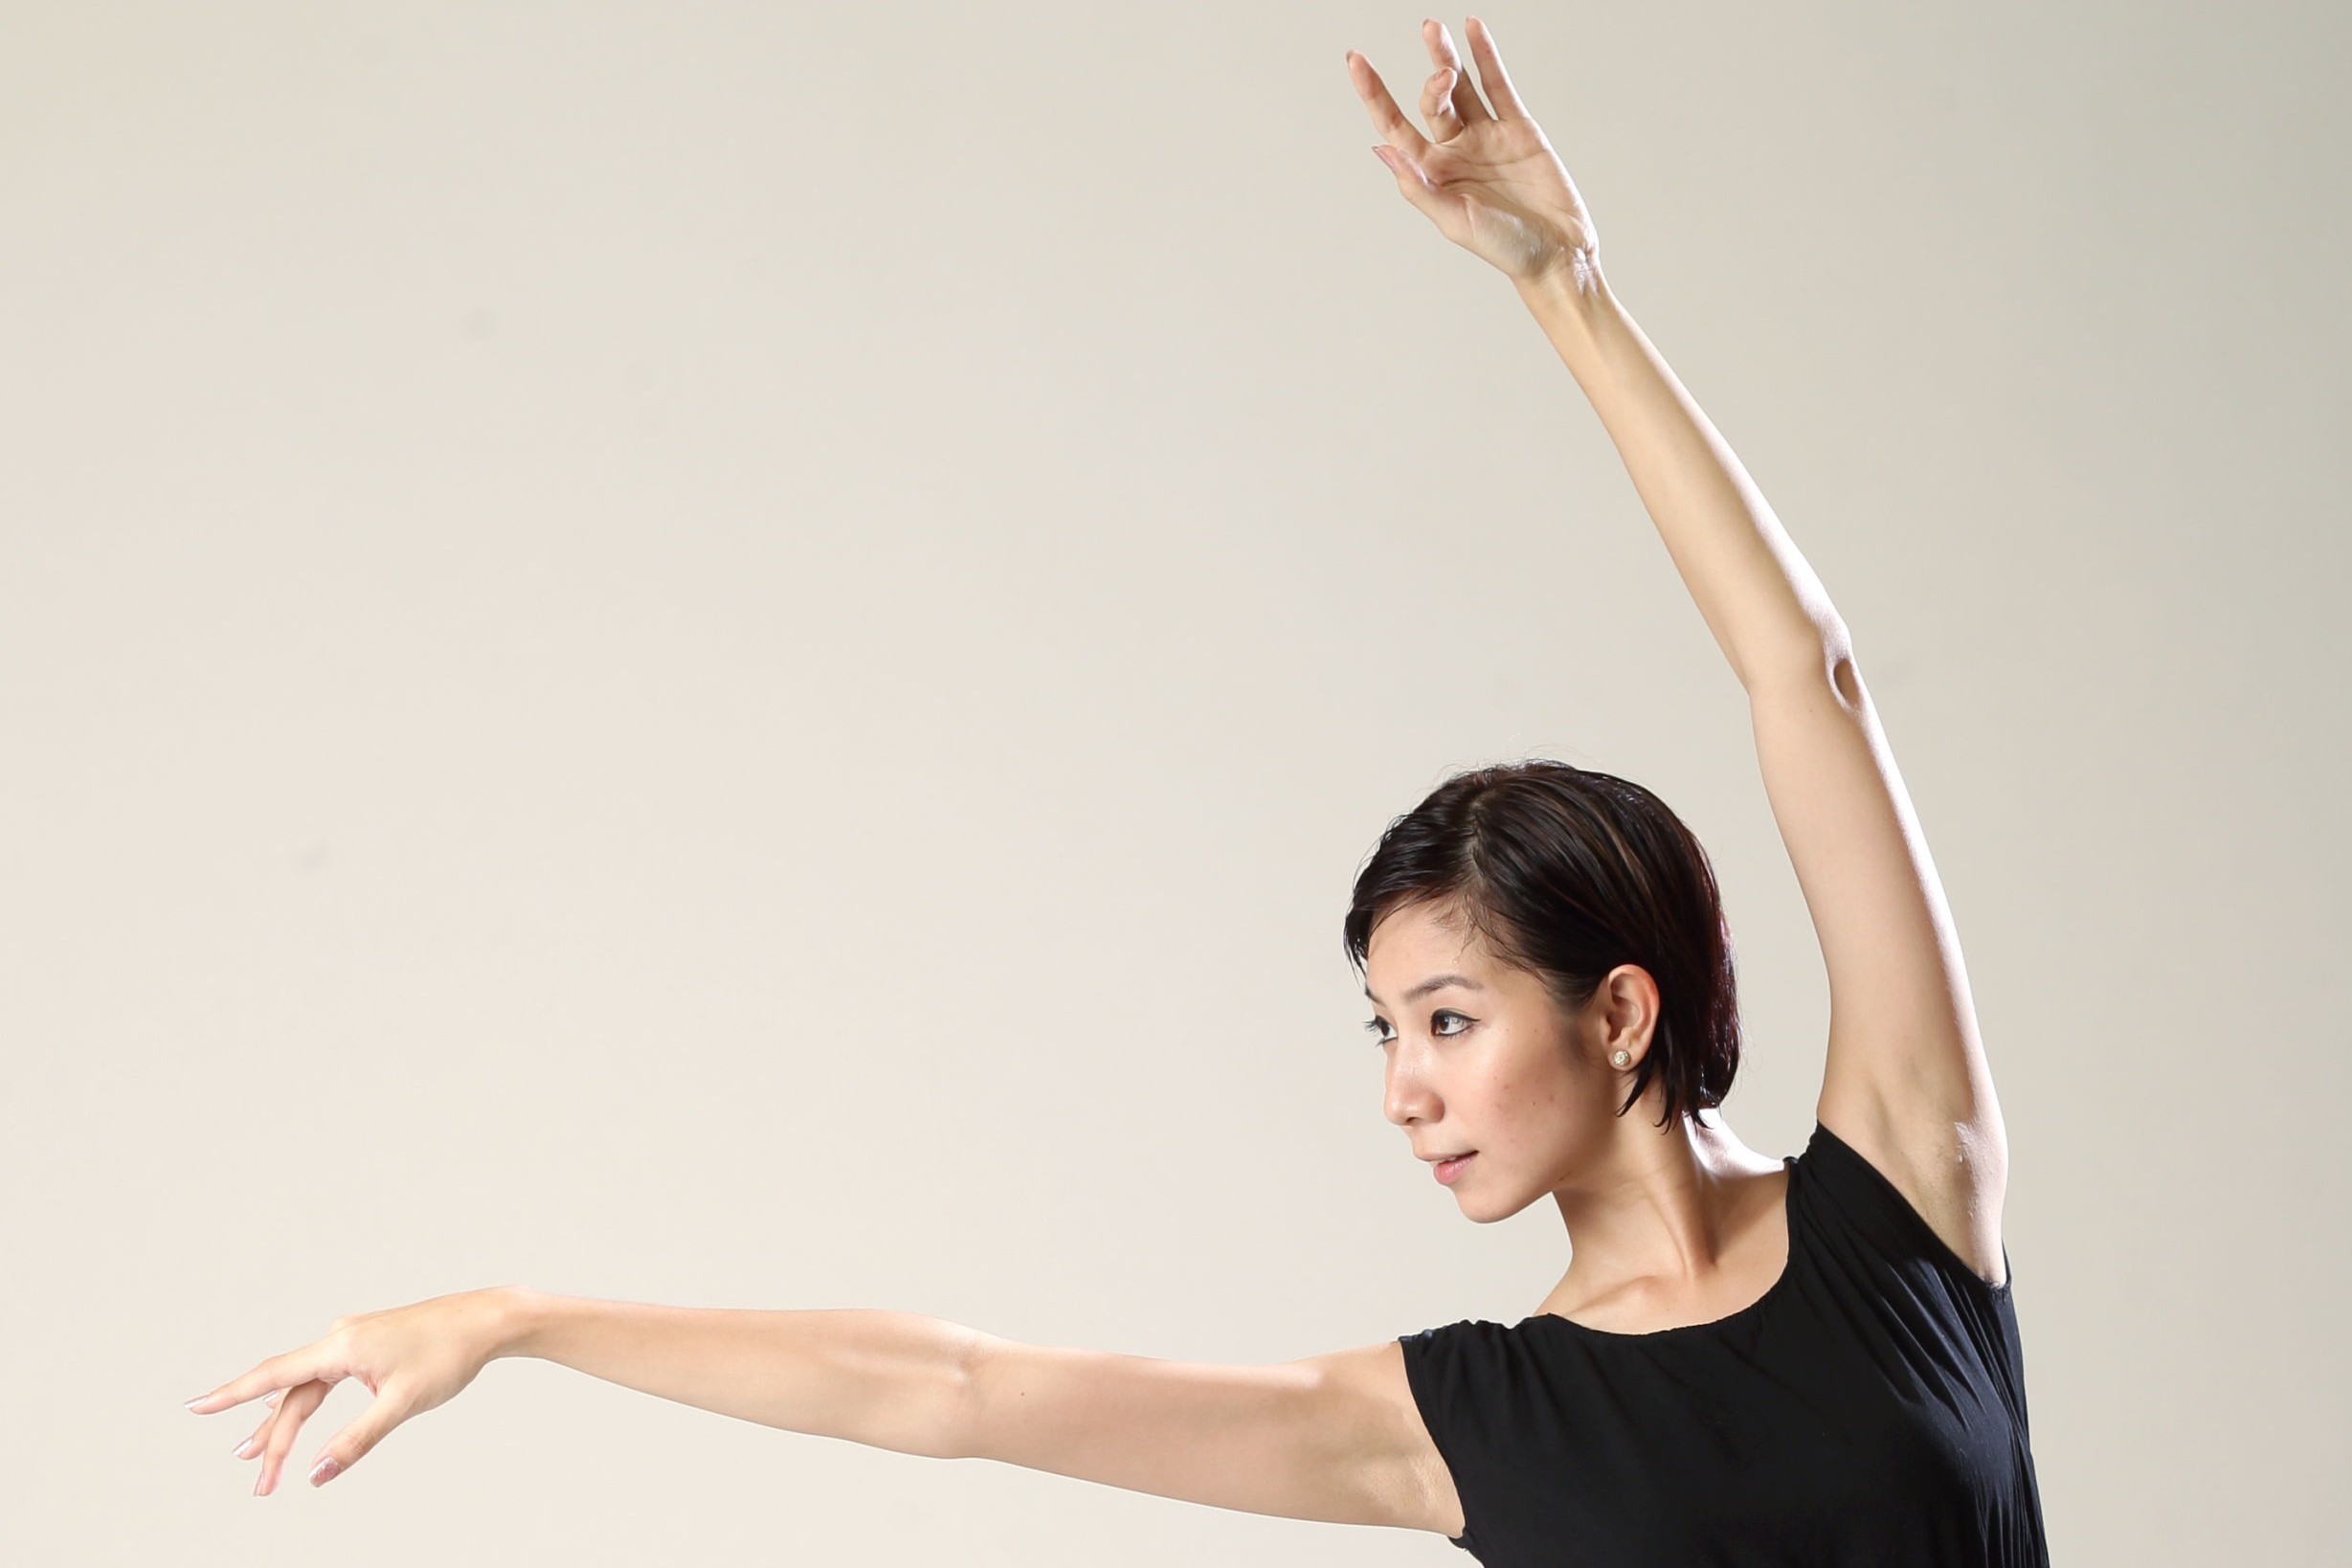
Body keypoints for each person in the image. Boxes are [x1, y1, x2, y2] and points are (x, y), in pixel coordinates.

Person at [184, 14, 2049, 1563]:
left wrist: (1567, 293)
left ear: (1619, 1010)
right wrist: (522, 1320)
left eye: (1446, 1017)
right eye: (1385, 1027)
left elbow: (1801, 679)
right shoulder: (1464, 1421)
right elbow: (957, 1390)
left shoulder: (1903, 1190)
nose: (1400, 1090)